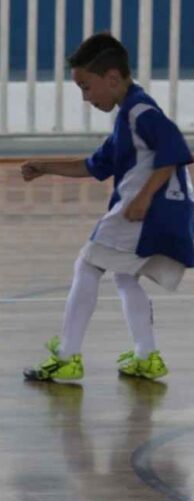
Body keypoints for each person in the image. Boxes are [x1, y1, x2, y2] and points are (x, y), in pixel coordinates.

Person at [21, 32, 194, 381]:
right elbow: (95, 165)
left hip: (146, 212)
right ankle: (147, 356)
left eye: (86, 87)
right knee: (125, 275)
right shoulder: (129, 114)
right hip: (162, 212)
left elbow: (176, 148)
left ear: (112, 78)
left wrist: (143, 198)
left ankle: (68, 356)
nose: (85, 97)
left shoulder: (140, 112)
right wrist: (45, 166)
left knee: (87, 265)